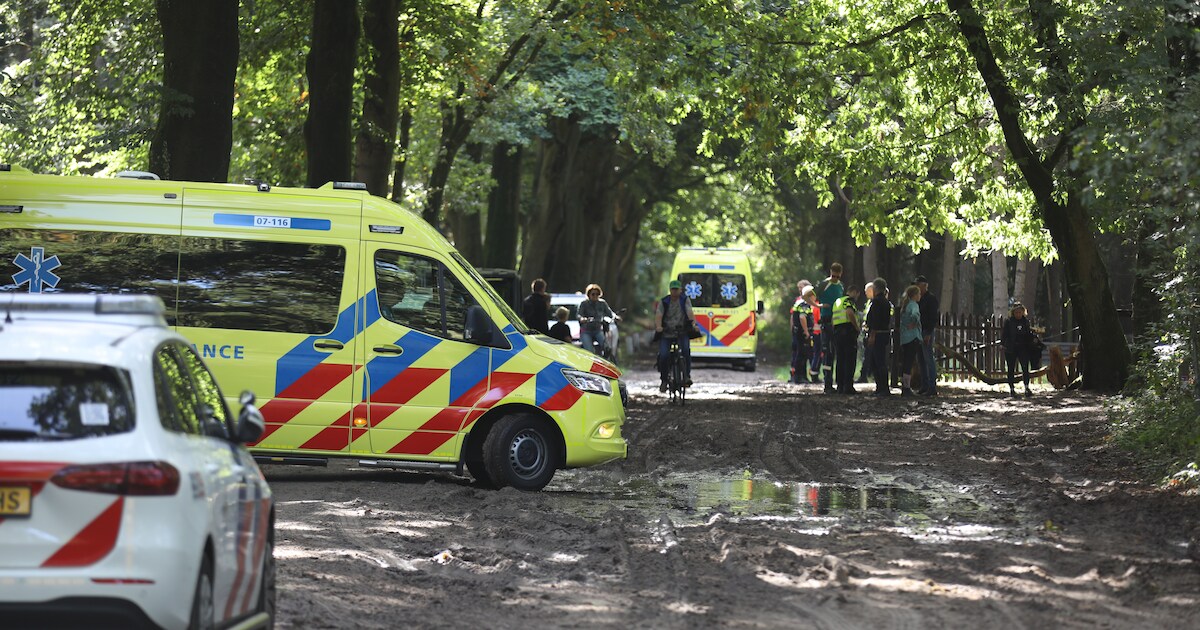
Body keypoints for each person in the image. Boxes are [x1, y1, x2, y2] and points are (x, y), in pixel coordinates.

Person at [655, 279, 695, 392]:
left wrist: (693, 324)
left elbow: (690, 312)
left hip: (682, 331)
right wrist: (659, 326)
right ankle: (664, 380)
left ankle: (686, 376)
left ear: (681, 290)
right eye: (673, 289)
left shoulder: (684, 300)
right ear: (670, 290)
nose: (675, 291)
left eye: (677, 289)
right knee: (663, 355)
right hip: (666, 332)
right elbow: (659, 314)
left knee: (686, 351)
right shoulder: (664, 301)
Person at [816, 263, 845, 393]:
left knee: (838, 352)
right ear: (830, 272)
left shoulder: (840, 286)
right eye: (833, 276)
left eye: (837, 277)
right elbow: (808, 295)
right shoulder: (824, 284)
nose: (835, 279)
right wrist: (819, 306)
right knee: (828, 353)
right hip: (827, 321)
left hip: (838, 323)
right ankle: (827, 383)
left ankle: (839, 383)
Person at [864, 278, 892, 395]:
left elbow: (875, 320)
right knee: (878, 361)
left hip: (877, 334)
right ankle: (881, 387)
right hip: (884, 334)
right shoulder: (886, 302)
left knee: (878, 361)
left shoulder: (876, 302)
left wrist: (872, 335)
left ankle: (883, 387)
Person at [1002, 302, 1036, 397]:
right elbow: (1004, 334)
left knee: (1025, 368)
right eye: (1016, 312)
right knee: (1011, 368)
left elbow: (1028, 334)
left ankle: (1026, 387)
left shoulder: (1025, 322)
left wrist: (1033, 339)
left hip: (1023, 348)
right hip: (1011, 348)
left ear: (1023, 312)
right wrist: (1003, 344)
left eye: (1020, 312)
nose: (1018, 314)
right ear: (1013, 312)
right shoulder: (1009, 321)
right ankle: (1012, 389)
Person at [832, 285, 860, 394]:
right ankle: (848, 386)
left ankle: (840, 385)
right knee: (850, 359)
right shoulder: (849, 301)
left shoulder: (838, 302)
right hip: (848, 331)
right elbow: (849, 312)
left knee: (840, 359)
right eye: (857, 294)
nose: (857, 297)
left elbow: (833, 318)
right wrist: (856, 327)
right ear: (854, 292)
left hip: (838, 332)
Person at [915, 274, 940, 396]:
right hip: (919, 330)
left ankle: (932, 386)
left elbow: (933, 317)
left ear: (924, 286)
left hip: (926, 331)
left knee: (928, 359)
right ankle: (924, 385)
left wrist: (929, 333)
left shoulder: (931, 299)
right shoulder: (919, 299)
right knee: (921, 359)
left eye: (918, 285)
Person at [897, 284, 923, 396]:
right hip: (913, 337)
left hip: (905, 338)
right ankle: (907, 387)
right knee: (909, 362)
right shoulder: (914, 305)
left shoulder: (905, 305)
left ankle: (904, 386)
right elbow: (915, 315)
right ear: (915, 295)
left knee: (905, 362)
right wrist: (915, 322)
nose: (920, 296)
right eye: (919, 294)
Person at [578, 284, 616, 355]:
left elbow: (610, 313)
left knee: (607, 348)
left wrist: (616, 317)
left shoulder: (602, 303)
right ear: (589, 295)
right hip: (586, 331)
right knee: (590, 351)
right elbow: (579, 315)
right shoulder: (584, 304)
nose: (595, 296)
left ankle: (606, 359)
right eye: (593, 294)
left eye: (597, 294)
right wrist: (583, 319)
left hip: (598, 330)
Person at [790, 280, 814, 384]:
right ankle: (799, 377)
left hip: (798, 332)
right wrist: (806, 331)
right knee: (801, 355)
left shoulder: (800, 302)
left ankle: (801, 376)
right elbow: (802, 317)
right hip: (802, 333)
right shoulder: (804, 304)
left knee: (801, 354)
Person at [858, 283, 876, 383]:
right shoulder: (869, 302)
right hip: (866, 331)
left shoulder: (875, 302)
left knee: (868, 355)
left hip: (872, 332)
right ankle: (866, 375)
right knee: (867, 355)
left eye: (867, 291)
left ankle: (864, 375)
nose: (865, 293)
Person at [805, 286, 823, 383]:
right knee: (818, 354)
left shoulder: (809, 307)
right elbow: (819, 321)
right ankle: (814, 373)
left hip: (811, 333)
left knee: (814, 353)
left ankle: (813, 372)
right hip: (817, 333)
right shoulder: (817, 307)